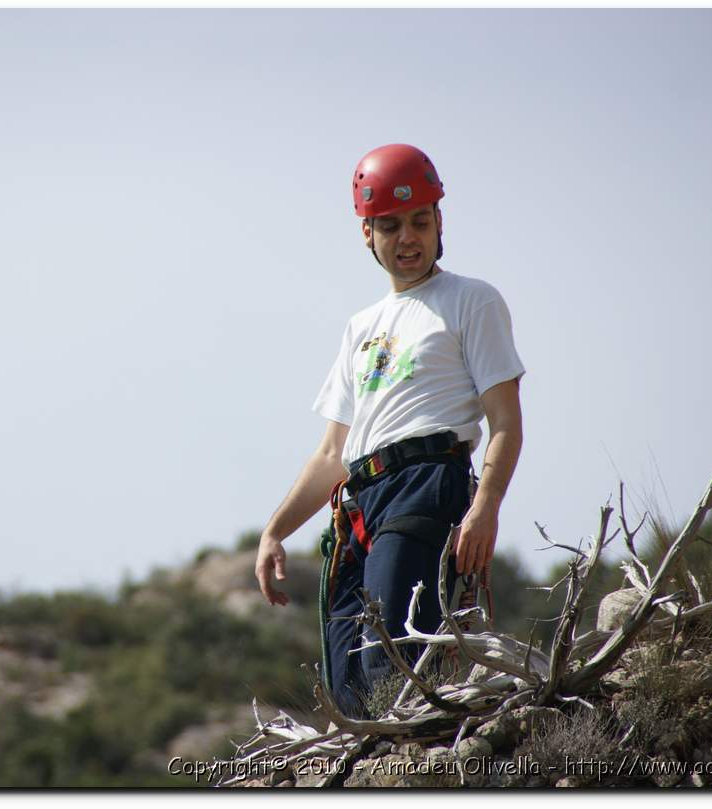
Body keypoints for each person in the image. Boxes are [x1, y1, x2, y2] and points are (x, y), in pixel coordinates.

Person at [253, 143, 525, 718]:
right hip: (361, 496)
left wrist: (487, 508)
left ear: (440, 221)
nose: (408, 237)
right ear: (367, 235)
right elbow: (333, 453)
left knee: (392, 654)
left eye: (420, 221)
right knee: (347, 674)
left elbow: (505, 421)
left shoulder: (470, 301)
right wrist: (275, 532)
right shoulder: (361, 327)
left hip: (429, 481)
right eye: (391, 225)